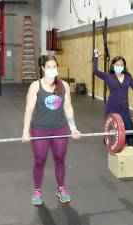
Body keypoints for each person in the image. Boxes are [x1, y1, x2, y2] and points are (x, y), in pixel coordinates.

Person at [22, 55, 81, 206]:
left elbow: (68, 107)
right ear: (43, 68)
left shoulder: (64, 86)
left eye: (54, 66)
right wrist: (25, 131)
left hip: (60, 129)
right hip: (40, 129)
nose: (52, 69)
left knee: (60, 159)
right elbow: (29, 110)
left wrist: (73, 127)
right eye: (49, 67)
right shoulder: (36, 86)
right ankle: (37, 191)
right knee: (40, 160)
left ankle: (61, 189)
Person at [93, 49, 133, 146]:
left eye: (121, 65)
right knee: (111, 129)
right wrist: (96, 56)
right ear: (113, 65)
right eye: (117, 65)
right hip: (111, 107)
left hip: (124, 108)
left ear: (124, 66)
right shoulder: (108, 76)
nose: (119, 66)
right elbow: (95, 71)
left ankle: (131, 149)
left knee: (130, 129)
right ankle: (111, 145)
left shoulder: (128, 77)